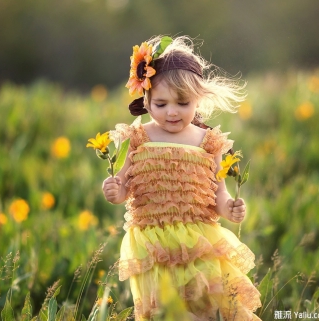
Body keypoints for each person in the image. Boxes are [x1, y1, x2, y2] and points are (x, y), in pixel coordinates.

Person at [102, 36, 262, 320]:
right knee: (167, 312)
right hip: (153, 246)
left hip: (198, 243)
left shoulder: (208, 142)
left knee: (204, 309)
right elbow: (124, 188)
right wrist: (115, 191)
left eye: (183, 102)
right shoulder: (138, 138)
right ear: (147, 101)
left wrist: (230, 209)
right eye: (161, 104)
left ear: (197, 100)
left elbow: (219, 194)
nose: (172, 112)